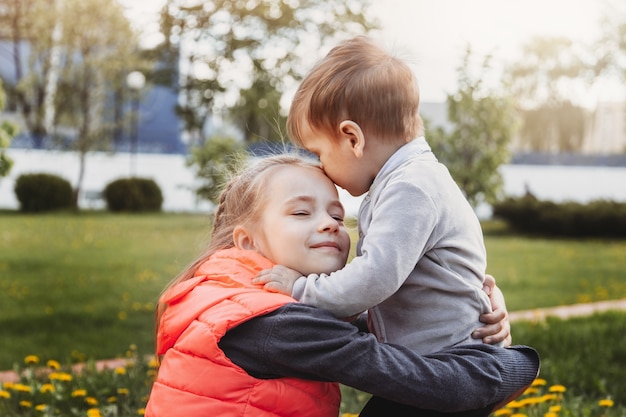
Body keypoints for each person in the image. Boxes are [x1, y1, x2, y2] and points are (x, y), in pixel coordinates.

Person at [252, 36, 528, 414]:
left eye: (318, 152)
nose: (320, 167)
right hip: (435, 357)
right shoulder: (402, 182)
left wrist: (301, 289)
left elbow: (375, 278)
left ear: (353, 138)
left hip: (451, 365)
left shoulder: (410, 187)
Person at [145, 154, 539, 417]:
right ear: (247, 241)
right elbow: (435, 387)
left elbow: (376, 327)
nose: (331, 223)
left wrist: (473, 308)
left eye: (338, 214)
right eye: (302, 211)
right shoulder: (273, 324)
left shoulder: (233, 296)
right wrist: (515, 363)